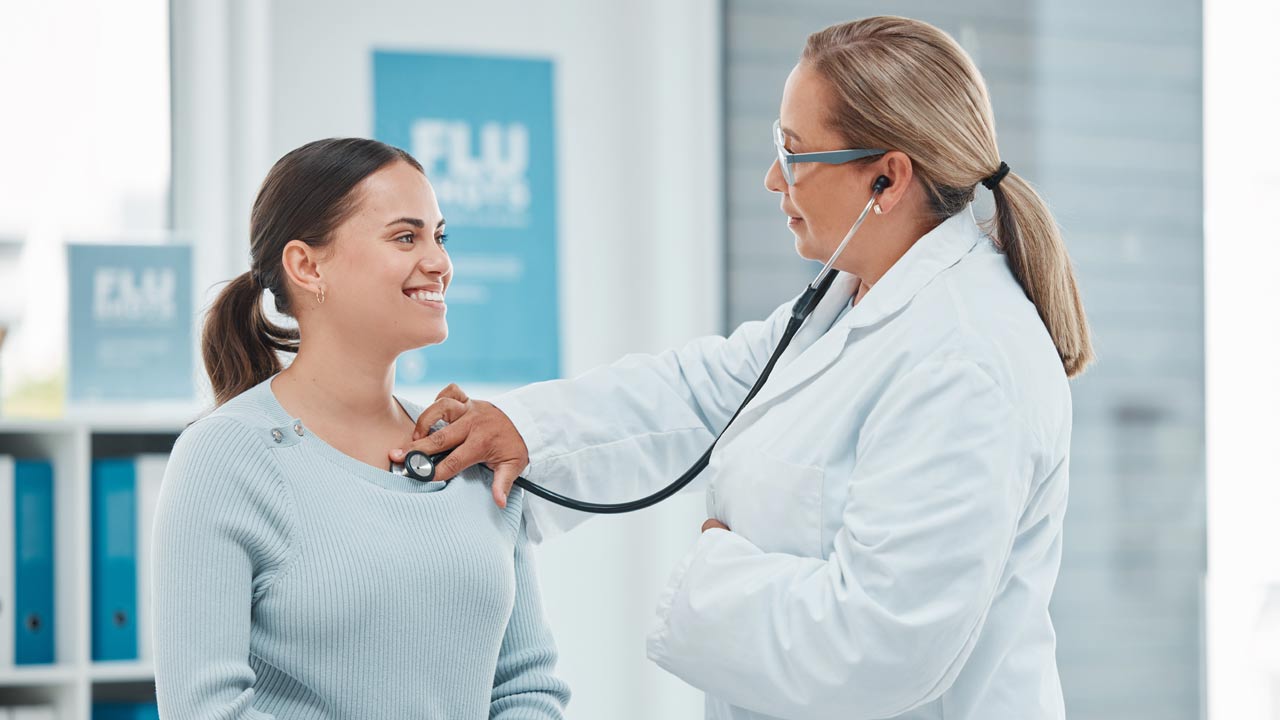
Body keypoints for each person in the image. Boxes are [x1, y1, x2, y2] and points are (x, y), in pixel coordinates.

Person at [391, 15, 1093, 720]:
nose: (770, 178)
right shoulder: (851, 302)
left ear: (887, 177)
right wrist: (523, 427)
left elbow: (882, 647)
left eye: (794, 154)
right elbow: (702, 393)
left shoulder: (965, 361)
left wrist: (715, 574)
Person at [153, 138, 569, 719]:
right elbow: (208, 710)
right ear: (306, 265)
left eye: (439, 237)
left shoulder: (466, 445)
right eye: (405, 237)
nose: (439, 263)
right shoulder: (224, 458)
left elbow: (528, 687)